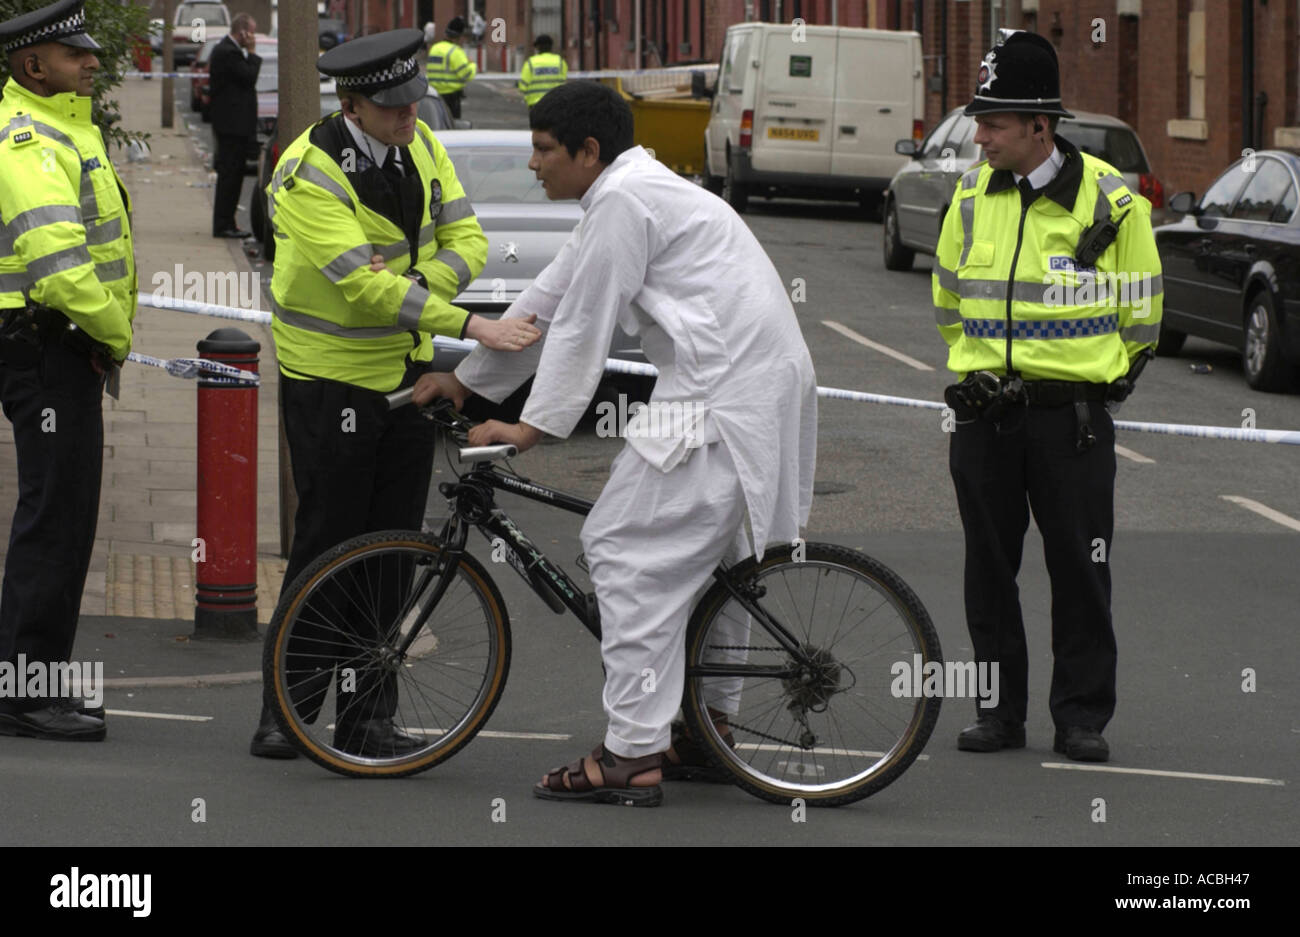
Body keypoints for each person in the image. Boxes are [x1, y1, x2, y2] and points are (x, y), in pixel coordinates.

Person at [415, 81, 817, 806]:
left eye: (543, 150)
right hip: (732, 380)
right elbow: (553, 295)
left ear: (588, 151)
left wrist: (530, 427)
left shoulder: (626, 201)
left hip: (718, 391)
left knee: (625, 551)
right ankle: (708, 723)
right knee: (710, 562)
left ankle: (633, 753)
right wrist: (468, 384)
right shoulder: (625, 194)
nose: (534, 163)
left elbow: (582, 323)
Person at [250, 28, 539, 758]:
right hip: (333, 380)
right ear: (351, 104)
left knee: (392, 552)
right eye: (391, 106)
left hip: (407, 380)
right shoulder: (310, 170)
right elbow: (358, 283)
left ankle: (366, 716)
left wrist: (414, 284)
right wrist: (469, 321)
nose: (409, 115)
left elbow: (467, 241)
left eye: (413, 100)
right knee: (329, 544)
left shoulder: (424, 147)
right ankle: (286, 711)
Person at [932, 30, 1162, 763]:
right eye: (980, 118)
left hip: (1072, 422)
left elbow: (1144, 314)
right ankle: (999, 714)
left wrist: (1092, 380)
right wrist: (973, 368)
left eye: (994, 122)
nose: (980, 134)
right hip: (983, 417)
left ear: (1041, 125)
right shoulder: (970, 193)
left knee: (1080, 568)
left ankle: (1081, 716)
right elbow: (947, 295)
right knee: (988, 572)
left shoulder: (1114, 202)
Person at [0, 0, 135, 741]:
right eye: (73, 53)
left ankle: (34, 680)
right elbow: (58, 269)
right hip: (51, 346)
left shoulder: (63, 128)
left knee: (60, 517)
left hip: (57, 346)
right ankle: (24, 693)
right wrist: (116, 334)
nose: (90, 61)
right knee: (54, 520)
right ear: (33, 66)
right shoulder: (31, 140)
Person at [208, 12, 260, 239]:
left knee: (234, 175)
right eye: (252, 32)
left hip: (233, 125)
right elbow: (249, 77)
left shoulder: (228, 51)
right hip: (231, 126)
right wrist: (252, 52)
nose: (253, 37)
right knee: (230, 177)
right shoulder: (228, 52)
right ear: (243, 32)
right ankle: (223, 225)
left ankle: (228, 222)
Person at [425, 17, 475, 119]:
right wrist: (472, 64)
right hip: (451, 98)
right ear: (458, 37)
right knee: (452, 128)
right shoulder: (455, 52)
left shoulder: (435, 48)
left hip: (434, 96)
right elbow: (466, 75)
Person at [517, 34, 566, 109]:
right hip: (556, 104)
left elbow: (523, 86)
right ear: (551, 46)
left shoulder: (531, 62)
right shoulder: (560, 61)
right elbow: (563, 81)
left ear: (538, 47)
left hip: (536, 104)